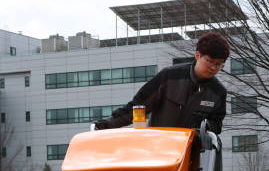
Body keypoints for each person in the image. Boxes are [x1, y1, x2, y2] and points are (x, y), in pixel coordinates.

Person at [94, 31, 230, 134]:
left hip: (192, 157)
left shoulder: (218, 92)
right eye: (210, 61)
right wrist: (105, 125)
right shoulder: (169, 77)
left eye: (219, 64)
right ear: (197, 55)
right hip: (158, 151)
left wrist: (205, 128)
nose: (213, 68)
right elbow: (137, 106)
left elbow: (216, 125)